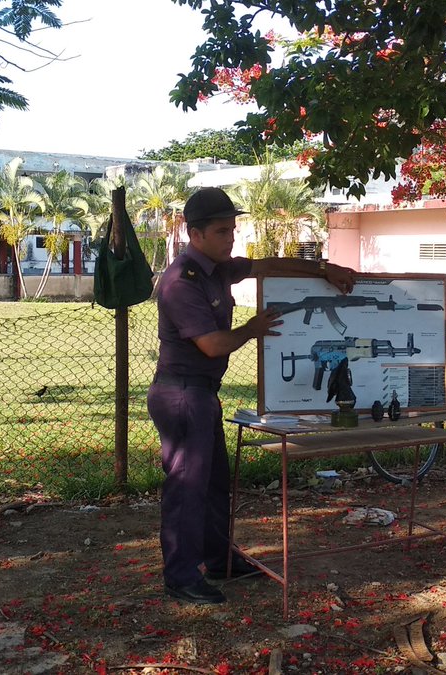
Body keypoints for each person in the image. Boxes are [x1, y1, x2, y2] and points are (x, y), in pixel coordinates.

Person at [148, 186, 356, 605]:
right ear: (196, 233)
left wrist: (323, 269)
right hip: (182, 394)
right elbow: (211, 344)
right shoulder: (181, 282)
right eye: (223, 231)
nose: (232, 238)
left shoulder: (217, 269)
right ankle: (181, 576)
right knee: (188, 487)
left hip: (201, 393)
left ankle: (219, 560)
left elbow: (267, 265)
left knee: (214, 484)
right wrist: (253, 329)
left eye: (233, 230)